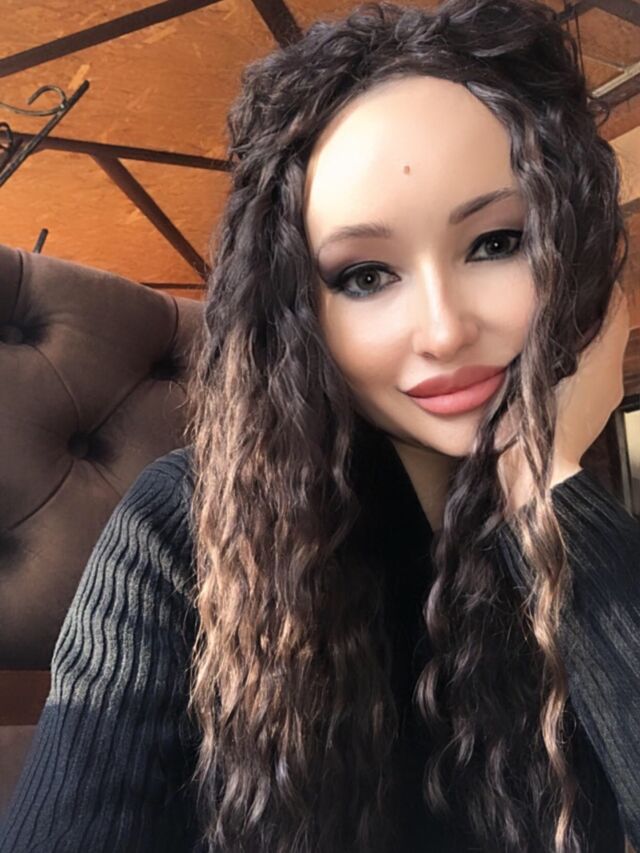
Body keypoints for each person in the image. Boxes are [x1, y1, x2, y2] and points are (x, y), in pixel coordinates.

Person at [1, 0, 639, 850]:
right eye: (365, 275)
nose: (444, 330)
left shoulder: (584, 516)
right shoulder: (182, 524)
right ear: (301, 311)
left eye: (497, 242)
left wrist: (548, 492)